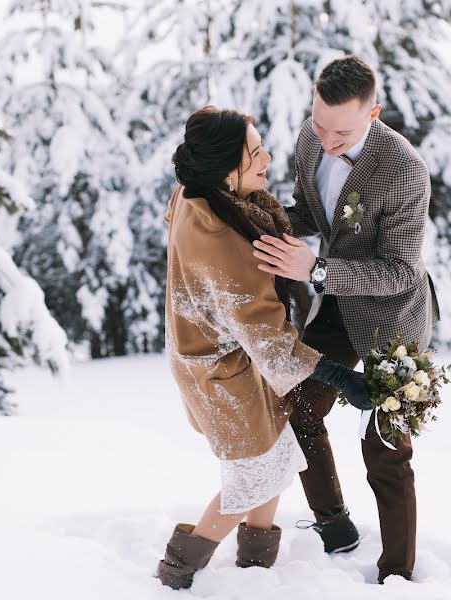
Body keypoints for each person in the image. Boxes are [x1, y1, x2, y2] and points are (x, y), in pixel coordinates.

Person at [156, 106, 372, 590]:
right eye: (254, 154)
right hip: (219, 371)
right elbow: (270, 340)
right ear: (224, 172)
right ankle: (177, 571)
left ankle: (256, 569)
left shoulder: (200, 194)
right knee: (254, 471)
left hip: (222, 355)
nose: (268, 158)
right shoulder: (225, 241)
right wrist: (342, 378)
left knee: (279, 452)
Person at [251, 55, 440, 584]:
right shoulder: (312, 138)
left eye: (342, 131)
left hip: (394, 319)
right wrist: (259, 226)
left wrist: (317, 268)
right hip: (335, 303)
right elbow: (311, 212)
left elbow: (402, 270)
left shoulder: (404, 170)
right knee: (296, 406)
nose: (327, 140)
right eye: (319, 123)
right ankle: (334, 526)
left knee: (385, 450)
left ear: (373, 112)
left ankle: (396, 575)